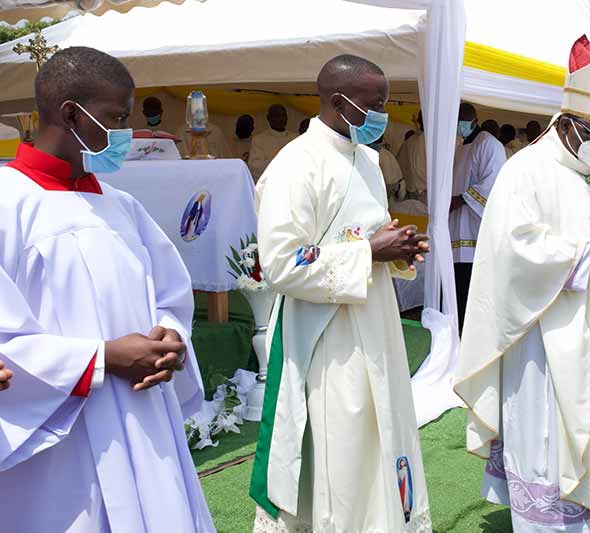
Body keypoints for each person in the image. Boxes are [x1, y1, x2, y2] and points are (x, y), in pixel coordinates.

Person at [0, 46, 213, 532]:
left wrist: (169, 339)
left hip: (144, 416)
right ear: (71, 113)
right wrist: (102, 358)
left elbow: (170, 296)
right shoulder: (6, 203)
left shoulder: (121, 205)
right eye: (116, 117)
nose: (125, 133)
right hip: (59, 443)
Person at [455, 36, 590, 531]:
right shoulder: (524, 171)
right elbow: (511, 251)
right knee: (552, 437)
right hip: (547, 341)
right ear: (567, 123)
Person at [250, 54, 432, 533]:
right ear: (337, 101)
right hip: (328, 336)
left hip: (376, 321)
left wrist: (397, 250)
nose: (382, 116)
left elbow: (368, 233)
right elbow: (282, 264)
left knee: (383, 432)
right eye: (375, 105)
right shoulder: (296, 165)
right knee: (343, 447)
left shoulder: (368, 158)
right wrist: (369, 252)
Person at [450, 102, 506, 333]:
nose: (458, 127)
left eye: (461, 121)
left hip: (475, 228)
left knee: (472, 290)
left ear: (473, 119)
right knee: (458, 292)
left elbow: (493, 183)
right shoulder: (463, 146)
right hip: (457, 225)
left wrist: (461, 199)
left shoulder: (489, 144)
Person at [249, 104, 299, 181]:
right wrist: (280, 162)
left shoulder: (296, 138)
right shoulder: (259, 140)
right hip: (269, 184)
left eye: (283, 115)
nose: (281, 118)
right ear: (269, 118)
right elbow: (255, 167)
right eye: (277, 115)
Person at [397, 110, 428, 203]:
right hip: (426, 193)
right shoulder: (433, 142)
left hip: (411, 192)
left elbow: (399, 164)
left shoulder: (410, 141)